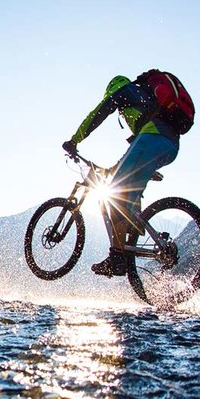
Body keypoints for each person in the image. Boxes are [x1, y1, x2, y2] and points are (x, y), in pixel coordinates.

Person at [62, 74, 183, 277]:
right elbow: (133, 153)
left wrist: (74, 141)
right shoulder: (146, 105)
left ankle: (117, 258)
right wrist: (112, 169)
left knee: (116, 196)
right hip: (169, 145)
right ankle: (133, 228)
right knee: (126, 185)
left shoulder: (125, 92)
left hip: (153, 140)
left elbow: (97, 114)